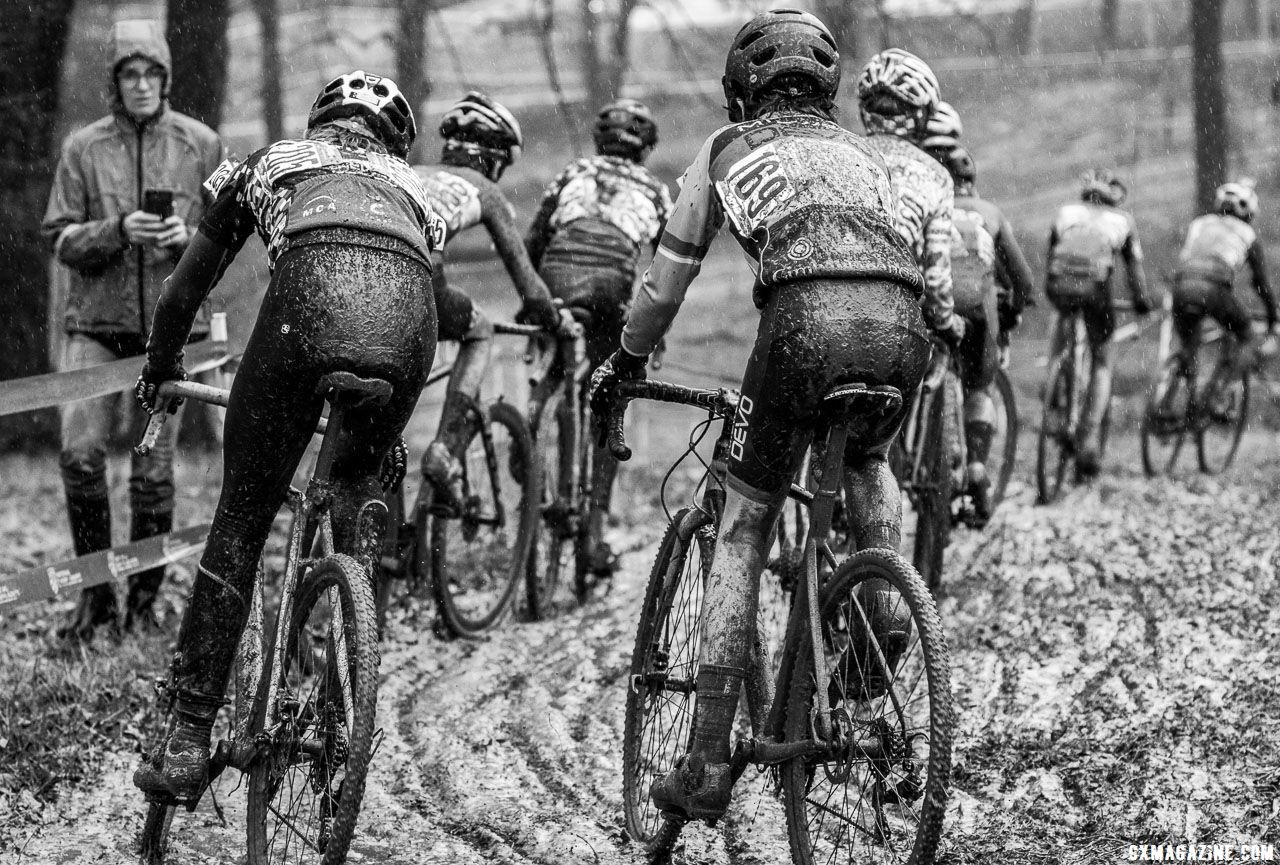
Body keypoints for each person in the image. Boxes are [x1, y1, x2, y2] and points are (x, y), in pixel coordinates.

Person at [590, 9, 930, 821]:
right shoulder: (872, 153)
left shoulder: (726, 149)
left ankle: (707, 759)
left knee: (743, 522)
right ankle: (881, 608)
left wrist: (628, 361)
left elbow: (666, 284)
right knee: (869, 462)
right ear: (827, 87)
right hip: (901, 326)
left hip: (804, 329)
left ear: (742, 89)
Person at [132, 71, 444, 803]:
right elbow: (431, 286)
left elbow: (185, 288)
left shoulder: (268, 161)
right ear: (394, 142)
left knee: (242, 517)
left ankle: (186, 736)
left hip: (308, 296)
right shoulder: (417, 189)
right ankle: (346, 694)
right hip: (404, 324)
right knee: (360, 490)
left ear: (319, 123)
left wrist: (161, 364)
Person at [41, 19, 223, 639]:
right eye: (130, 74)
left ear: (167, 79)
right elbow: (58, 237)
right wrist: (116, 231)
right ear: (115, 83)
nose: (142, 85)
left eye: (152, 73)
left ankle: (144, 604)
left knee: (152, 471)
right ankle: (96, 599)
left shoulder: (202, 143)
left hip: (168, 333)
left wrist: (189, 241)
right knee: (80, 454)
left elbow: (231, 238)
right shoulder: (82, 147)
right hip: (94, 323)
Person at [524, 97, 673, 576]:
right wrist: (655, 328)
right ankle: (591, 534)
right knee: (609, 402)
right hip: (612, 287)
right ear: (646, 148)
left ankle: (533, 435)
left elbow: (531, 241)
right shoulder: (654, 187)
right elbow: (666, 266)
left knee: (560, 370)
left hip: (554, 277)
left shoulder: (573, 171)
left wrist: (532, 299)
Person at [410, 92, 557, 515]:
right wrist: (551, 317)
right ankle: (446, 448)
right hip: (420, 283)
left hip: (370, 279)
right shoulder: (485, 190)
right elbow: (529, 284)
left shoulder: (412, 170)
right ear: (494, 157)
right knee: (479, 329)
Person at [932, 144, 1036, 523]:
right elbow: (1023, 282)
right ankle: (976, 466)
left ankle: (912, 455)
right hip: (977, 310)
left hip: (932, 300)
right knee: (979, 388)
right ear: (972, 183)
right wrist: (1011, 311)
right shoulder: (990, 213)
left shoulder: (930, 204)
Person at [855, 48, 967, 351]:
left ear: (865, 111)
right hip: (893, 320)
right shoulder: (936, 175)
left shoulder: (840, 154)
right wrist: (946, 323)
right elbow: (936, 272)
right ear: (922, 115)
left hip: (829, 310)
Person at [1044, 168, 1153, 476]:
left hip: (1059, 286)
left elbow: (1052, 255)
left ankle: (1053, 400)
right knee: (1102, 361)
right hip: (1095, 291)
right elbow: (1134, 271)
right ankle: (1088, 439)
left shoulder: (1065, 212)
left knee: (1062, 322)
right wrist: (1142, 301)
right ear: (1114, 197)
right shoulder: (1122, 221)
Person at [1166, 179, 1277, 419]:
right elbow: (1261, 284)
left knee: (1189, 344)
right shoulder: (1247, 234)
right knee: (1249, 338)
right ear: (1249, 211)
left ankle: (1169, 402)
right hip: (1214, 289)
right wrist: (1272, 318)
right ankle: (1218, 395)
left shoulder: (1200, 223)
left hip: (1182, 285)